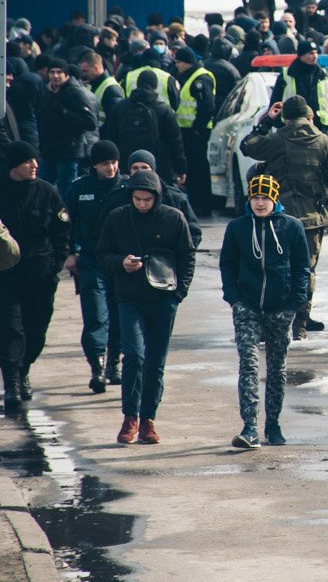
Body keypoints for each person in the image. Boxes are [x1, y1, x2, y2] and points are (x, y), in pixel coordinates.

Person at [97, 168, 196, 445]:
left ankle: (148, 419)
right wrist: (121, 263)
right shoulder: (118, 218)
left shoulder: (173, 218)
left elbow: (187, 257)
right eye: (137, 199)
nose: (141, 204)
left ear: (157, 198)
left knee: (156, 362)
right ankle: (130, 416)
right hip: (129, 298)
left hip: (164, 299)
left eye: (146, 200)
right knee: (134, 355)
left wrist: (179, 294)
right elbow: (101, 254)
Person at [240, 96, 328, 339]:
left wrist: (266, 121)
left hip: (280, 216)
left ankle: (276, 324)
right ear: (308, 116)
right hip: (313, 218)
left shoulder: (277, 139)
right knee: (306, 271)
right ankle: (300, 324)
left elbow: (248, 145)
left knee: (276, 269)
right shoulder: (324, 141)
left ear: (285, 117)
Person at [220, 175, 310, 449]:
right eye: (255, 198)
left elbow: (302, 269)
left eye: (265, 198)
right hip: (247, 307)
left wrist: (294, 305)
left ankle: (273, 424)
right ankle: (249, 427)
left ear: (275, 199)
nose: (260, 203)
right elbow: (227, 265)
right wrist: (234, 299)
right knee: (248, 363)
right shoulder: (237, 228)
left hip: (280, 308)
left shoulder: (292, 228)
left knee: (276, 368)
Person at [0, 142, 71, 409]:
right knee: (10, 329)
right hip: (5, 275)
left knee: (35, 329)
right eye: (28, 161)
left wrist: (56, 263)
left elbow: (62, 230)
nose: (35, 165)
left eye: (35, 160)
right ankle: (12, 385)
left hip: (40, 276)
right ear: (13, 166)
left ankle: (24, 369)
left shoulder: (47, 192)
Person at [64, 141, 128, 393]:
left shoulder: (126, 187)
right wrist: (69, 254)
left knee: (120, 315)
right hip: (91, 261)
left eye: (113, 162)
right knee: (96, 315)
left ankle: (114, 364)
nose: (110, 168)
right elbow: (64, 222)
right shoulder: (80, 189)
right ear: (94, 165)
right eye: (104, 163)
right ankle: (97, 367)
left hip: (120, 262)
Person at [110, 72, 188, 186]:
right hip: (158, 168)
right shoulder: (164, 110)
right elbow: (175, 143)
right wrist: (181, 169)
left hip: (127, 167)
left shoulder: (119, 108)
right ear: (155, 86)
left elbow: (111, 138)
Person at [38, 57, 99, 192]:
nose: (55, 76)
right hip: (49, 150)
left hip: (68, 151)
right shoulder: (47, 93)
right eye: (52, 72)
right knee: (42, 188)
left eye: (59, 72)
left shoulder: (74, 93)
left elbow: (90, 122)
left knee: (67, 190)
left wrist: (66, 114)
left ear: (66, 74)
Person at [173, 47, 217, 217]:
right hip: (189, 130)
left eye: (178, 62)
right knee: (193, 167)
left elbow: (207, 106)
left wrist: (197, 129)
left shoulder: (200, 78)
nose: (176, 65)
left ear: (186, 62)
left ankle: (202, 204)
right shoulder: (190, 76)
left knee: (199, 168)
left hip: (196, 131)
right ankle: (197, 203)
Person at [270, 42, 328, 133]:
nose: (315, 56)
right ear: (301, 55)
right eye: (311, 53)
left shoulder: (323, 75)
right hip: (291, 129)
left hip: (318, 129)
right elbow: (275, 102)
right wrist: (281, 126)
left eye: (316, 53)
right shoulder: (286, 75)